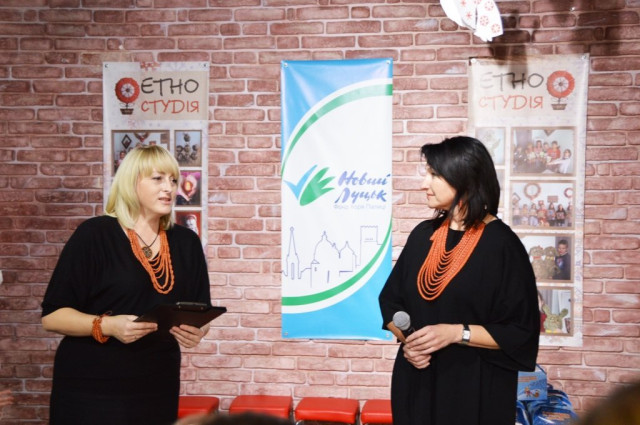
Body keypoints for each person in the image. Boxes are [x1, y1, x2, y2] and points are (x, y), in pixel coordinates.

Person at [41, 145, 212, 425]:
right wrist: (108, 325)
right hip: (91, 386)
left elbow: (200, 311)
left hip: (157, 382)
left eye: (173, 180)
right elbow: (52, 316)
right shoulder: (93, 235)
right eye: (157, 178)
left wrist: (198, 331)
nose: (169, 188)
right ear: (132, 183)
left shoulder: (187, 242)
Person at [378, 136, 540, 425]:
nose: (424, 184)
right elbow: (391, 302)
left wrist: (456, 333)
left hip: (474, 391)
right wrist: (410, 343)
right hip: (416, 380)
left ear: (463, 179)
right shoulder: (422, 235)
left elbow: (520, 331)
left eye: (434, 175)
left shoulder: (503, 246)